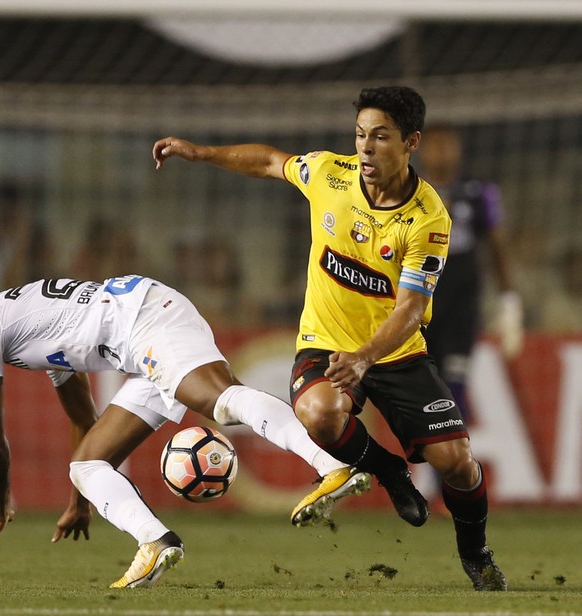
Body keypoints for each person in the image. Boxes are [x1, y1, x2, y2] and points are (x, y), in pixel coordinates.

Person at [152, 86, 507, 591]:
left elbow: (409, 309)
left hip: (396, 355)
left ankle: (476, 554)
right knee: (318, 413)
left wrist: (364, 358)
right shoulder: (329, 174)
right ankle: (391, 474)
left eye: (380, 137)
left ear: (411, 143)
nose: (365, 147)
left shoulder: (428, 218)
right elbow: (270, 162)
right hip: (324, 343)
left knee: (459, 465)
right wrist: (200, 152)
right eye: (360, 135)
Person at [0, 266, 370, 589]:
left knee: (222, 402)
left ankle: (332, 462)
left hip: (145, 321)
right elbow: (82, 419)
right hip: (142, 332)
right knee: (87, 466)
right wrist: (81, 503)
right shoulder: (26, 322)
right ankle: (155, 541)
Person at [417, 125, 523, 407]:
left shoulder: (479, 191)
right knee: (424, 383)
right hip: (419, 295)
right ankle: (424, 449)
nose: (442, 152)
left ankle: (456, 444)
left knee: (455, 378)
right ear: (422, 150)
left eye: (448, 144)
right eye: (436, 144)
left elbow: (497, 244)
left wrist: (509, 302)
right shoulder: (409, 191)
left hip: (462, 297)